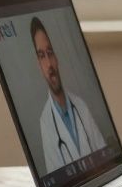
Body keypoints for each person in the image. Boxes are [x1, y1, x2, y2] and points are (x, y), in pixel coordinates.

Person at [32, 17, 106, 173]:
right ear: (39, 65)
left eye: (50, 53)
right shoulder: (45, 123)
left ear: (56, 58)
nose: (49, 64)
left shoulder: (81, 105)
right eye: (41, 55)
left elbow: (106, 159)